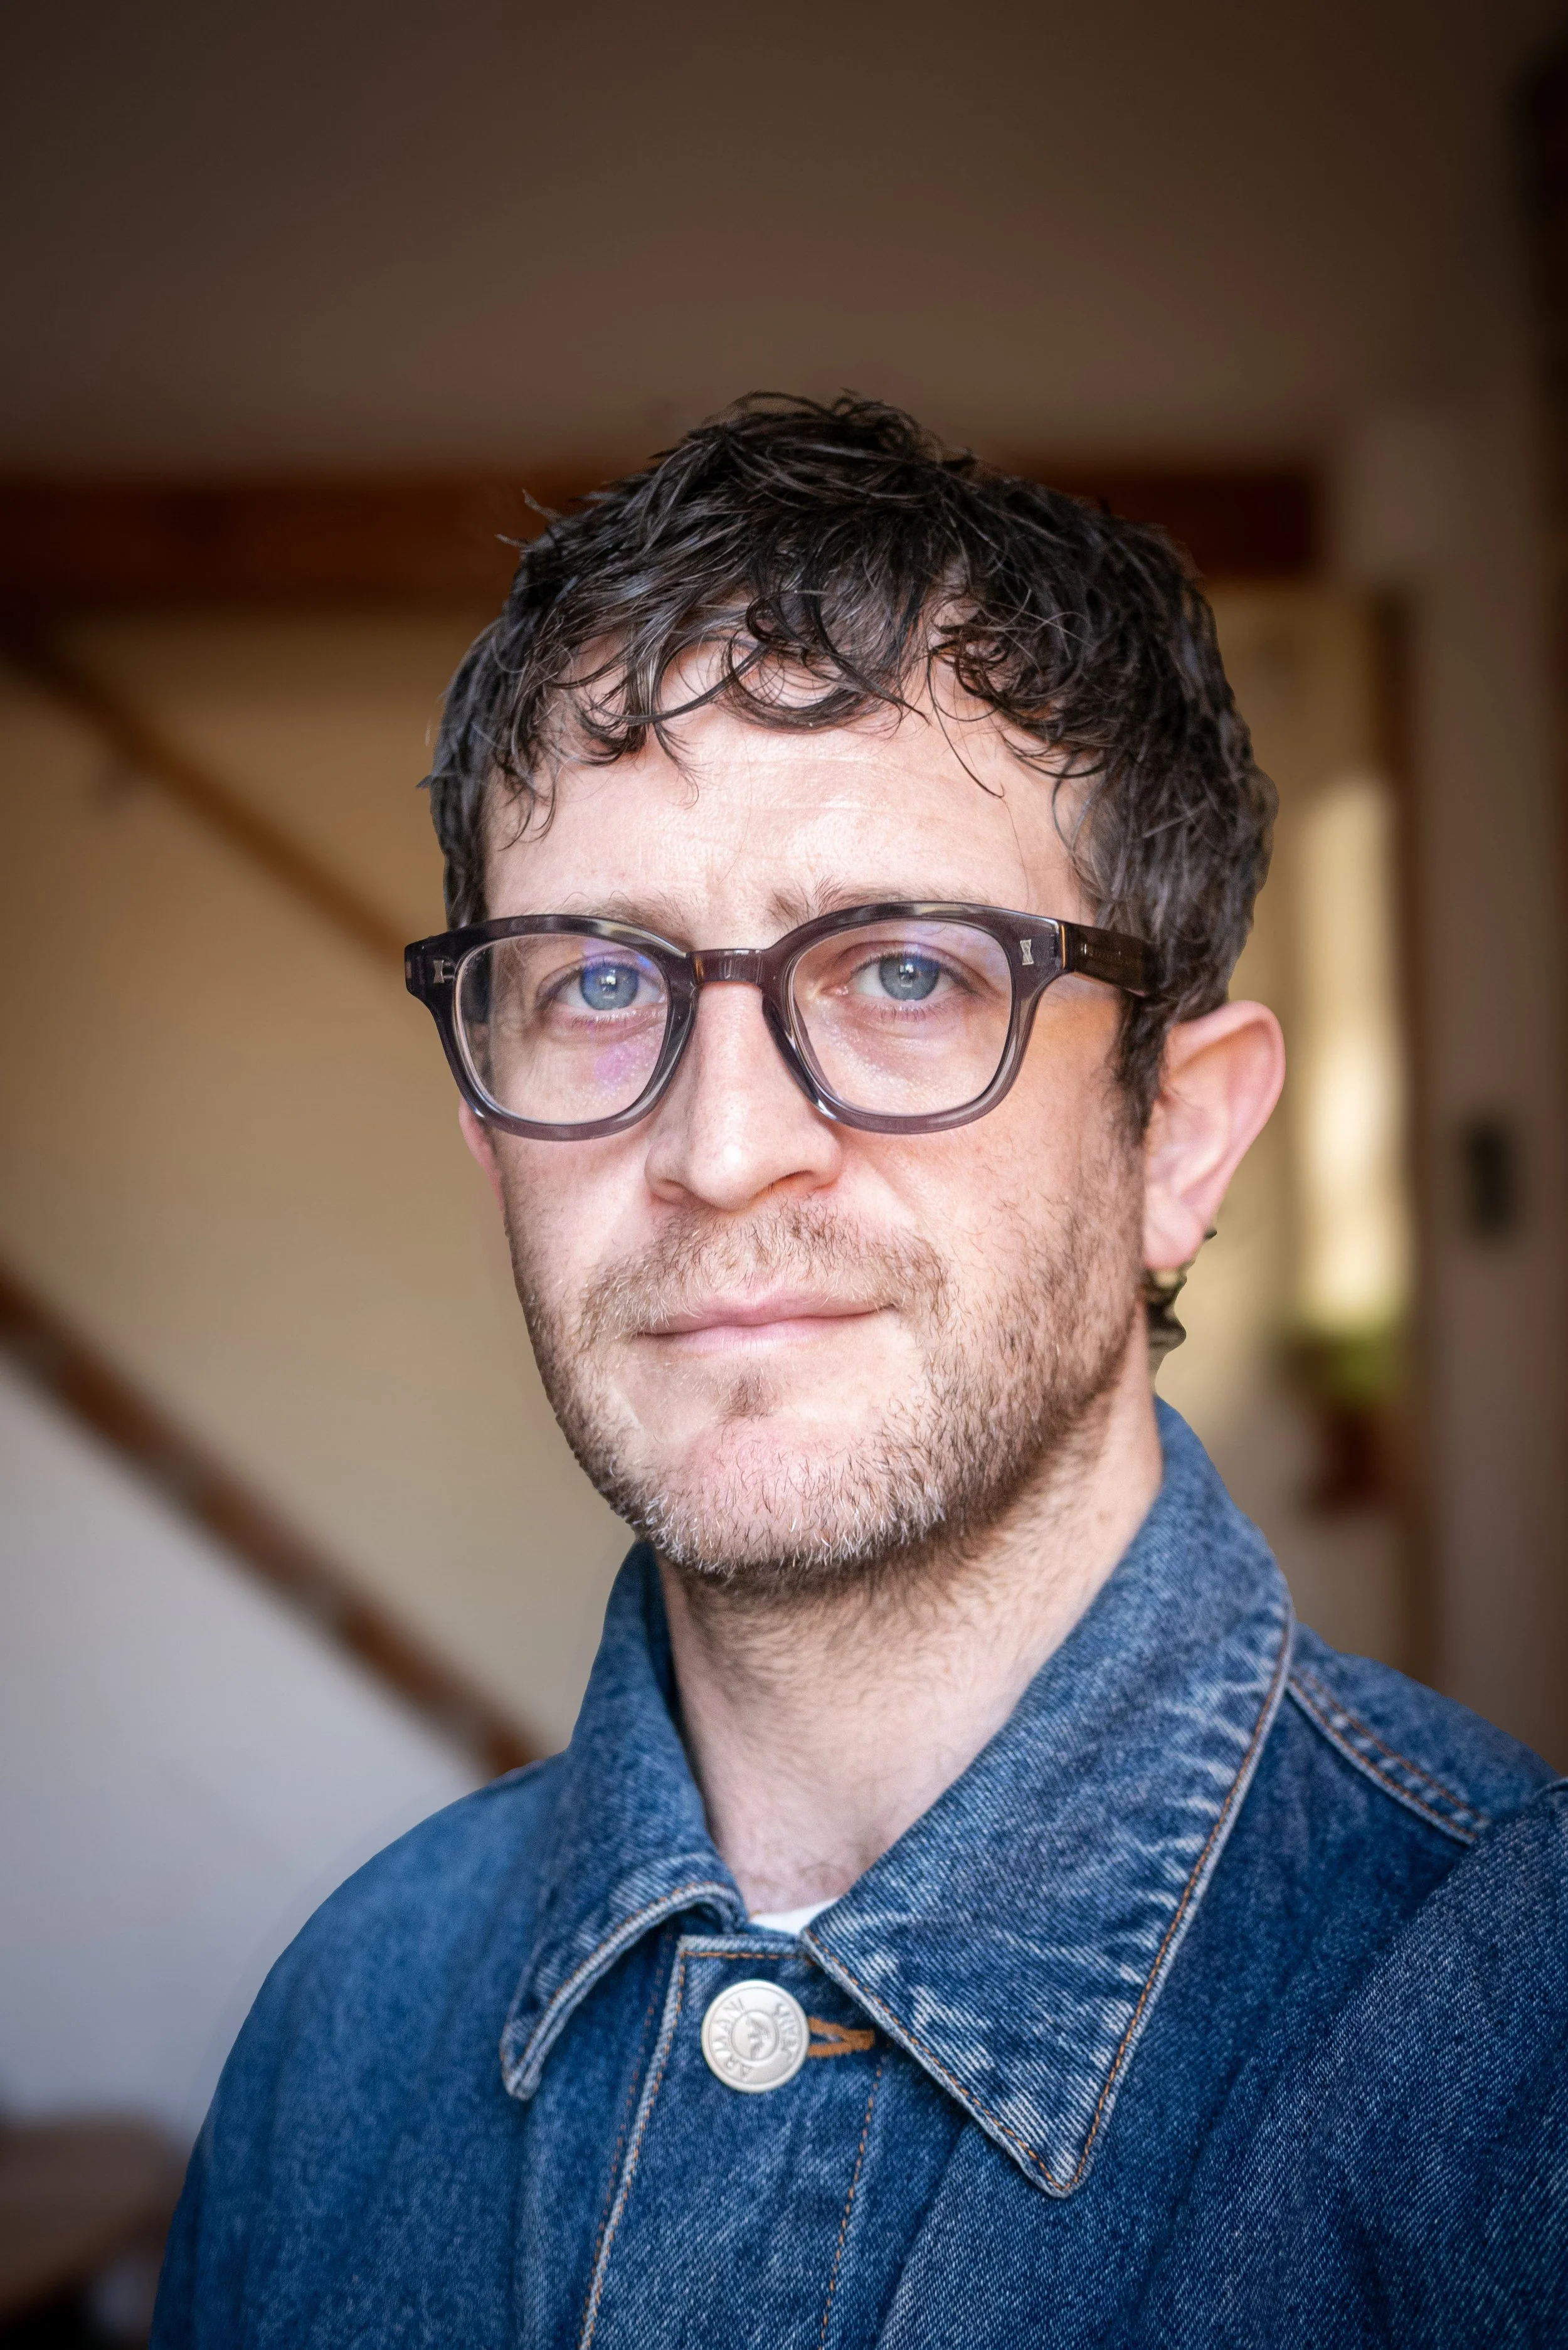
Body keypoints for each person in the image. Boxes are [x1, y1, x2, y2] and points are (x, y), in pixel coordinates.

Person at [152, 398, 1567, 2349]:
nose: (721, 1145)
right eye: (596, 982)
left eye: (906, 970)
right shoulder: (340, 2029)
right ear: (490, 1142)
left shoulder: (1520, 2049)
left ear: (1182, 1139)